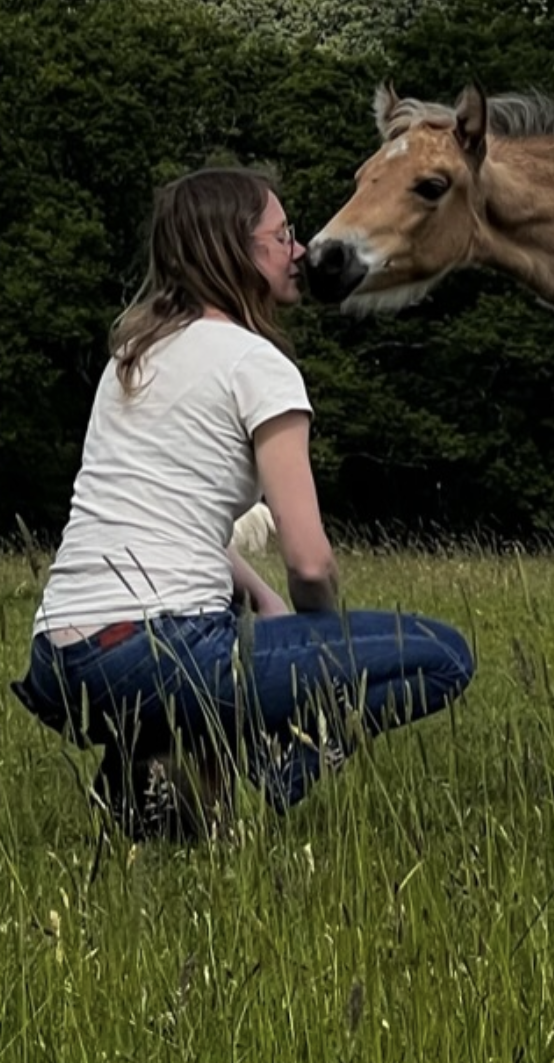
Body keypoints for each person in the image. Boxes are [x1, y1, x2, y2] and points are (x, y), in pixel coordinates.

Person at [11, 165, 474, 840]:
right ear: (235, 250)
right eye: (282, 236)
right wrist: (307, 638)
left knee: (226, 627)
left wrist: (264, 599)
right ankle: (269, 773)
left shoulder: (132, 359)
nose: (300, 250)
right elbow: (311, 562)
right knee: (443, 655)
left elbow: (166, 520)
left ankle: (154, 770)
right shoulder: (257, 366)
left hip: (61, 663)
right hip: (165, 652)